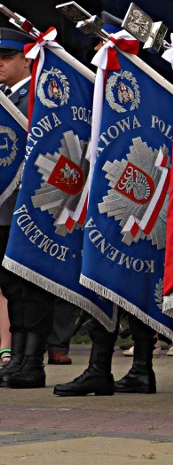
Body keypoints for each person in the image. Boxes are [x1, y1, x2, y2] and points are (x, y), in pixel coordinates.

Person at [53, 13, 164, 397]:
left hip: (134, 193)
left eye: (102, 44)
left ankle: (124, 368)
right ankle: (123, 368)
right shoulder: (121, 81)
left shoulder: (147, 76)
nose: (98, 53)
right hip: (122, 191)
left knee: (123, 276)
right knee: (115, 276)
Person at [0, 27, 56, 389]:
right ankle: (17, 356)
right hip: (3, 210)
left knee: (31, 285)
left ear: (25, 58)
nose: (0, 65)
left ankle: (33, 360)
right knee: (10, 286)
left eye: (6, 58)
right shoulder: (4, 98)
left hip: (29, 208)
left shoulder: (39, 97)